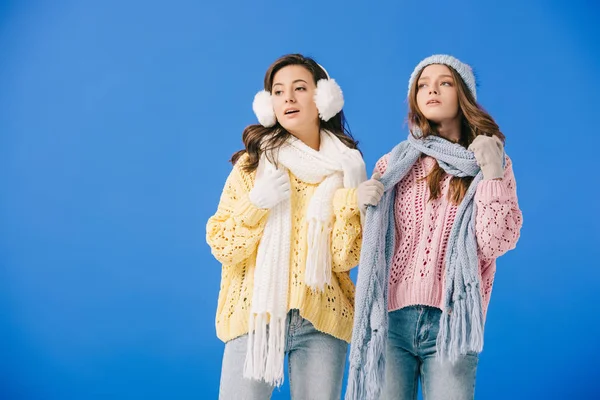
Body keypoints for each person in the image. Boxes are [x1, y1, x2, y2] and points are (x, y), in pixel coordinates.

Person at [346, 54, 524, 400]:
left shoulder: (489, 161)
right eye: (422, 85)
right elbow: (364, 245)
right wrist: (358, 205)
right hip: (389, 319)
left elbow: (495, 243)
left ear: (463, 95)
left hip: (452, 322)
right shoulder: (394, 162)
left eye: (444, 83)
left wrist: (491, 173)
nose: (432, 90)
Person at [206, 53, 367, 400]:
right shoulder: (253, 165)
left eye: (299, 88)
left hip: (322, 319)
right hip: (255, 315)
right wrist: (256, 205)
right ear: (269, 104)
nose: (288, 98)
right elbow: (221, 244)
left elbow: (345, 259)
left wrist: (349, 203)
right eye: (278, 92)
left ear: (324, 98)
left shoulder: (348, 169)